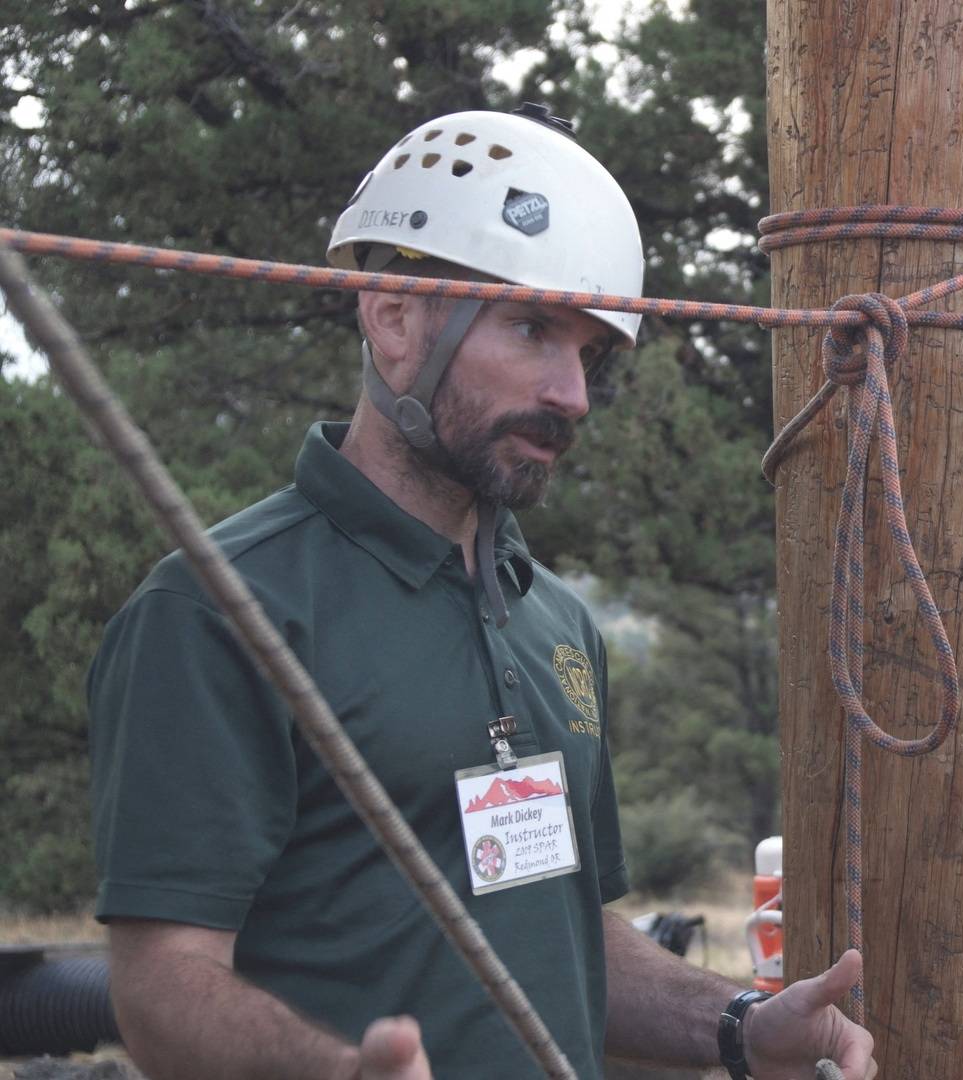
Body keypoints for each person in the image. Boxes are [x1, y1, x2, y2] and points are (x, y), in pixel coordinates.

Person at [88, 105, 875, 1080]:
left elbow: (565, 934)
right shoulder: (222, 610)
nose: (571, 394)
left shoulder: (554, 622)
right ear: (393, 317)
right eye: (533, 328)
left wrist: (742, 1026)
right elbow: (161, 984)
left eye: (586, 353)